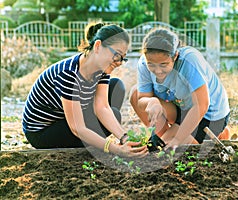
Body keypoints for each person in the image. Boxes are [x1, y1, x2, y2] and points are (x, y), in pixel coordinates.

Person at [22, 23, 148, 157]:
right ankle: (96, 143)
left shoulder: (102, 70)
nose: (119, 62)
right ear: (98, 46)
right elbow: (77, 128)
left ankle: (95, 141)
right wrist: (115, 149)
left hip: (64, 118)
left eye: (123, 58)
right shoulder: (69, 74)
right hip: (42, 131)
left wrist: (124, 138)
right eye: (117, 56)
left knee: (115, 89)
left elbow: (102, 108)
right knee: (102, 124)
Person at [130, 28, 230, 149]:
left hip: (208, 114)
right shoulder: (143, 63)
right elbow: (141, 99)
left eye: (163, 64)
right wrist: (151, 101)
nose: (157, 70)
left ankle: (218, 133)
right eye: (151, 64)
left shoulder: (189, 60)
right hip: (181, 107)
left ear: (175, 56)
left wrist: (177, 139)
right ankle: (167, 136)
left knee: (171, 145)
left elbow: (201, 105)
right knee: (135, 94)